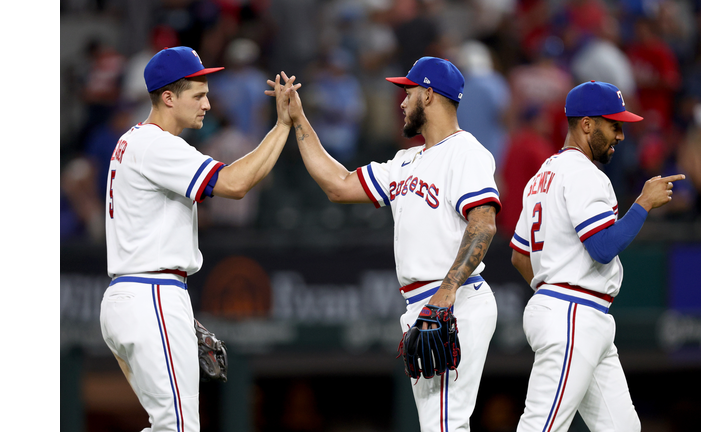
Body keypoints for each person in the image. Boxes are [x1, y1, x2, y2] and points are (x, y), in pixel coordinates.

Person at [268, 57, 501, 431]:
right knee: (439, 424)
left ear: (429, 94)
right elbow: (339, 185)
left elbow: (484, 224)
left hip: (456, 301)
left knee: (445, 424)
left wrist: (447, 291)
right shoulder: (405, 161)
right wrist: (299, 120)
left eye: (408, 92)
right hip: (425, 304)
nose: (402, 102)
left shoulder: (466, 151)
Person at [99, 46, 299, 432]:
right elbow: (235, 184)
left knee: (167, 425)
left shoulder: (133, 141)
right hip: (151, 293)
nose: (209, 103)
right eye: (198, 94)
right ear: (169, 97)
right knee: (177, 426)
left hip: (133, 295)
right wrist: (282, 127)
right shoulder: (157, 144)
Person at [509, 80, 685, 431]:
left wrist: (548, 293)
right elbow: (602, 248)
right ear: (586, 124)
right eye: (614, 125)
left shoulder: (542, 176)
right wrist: (642, 204)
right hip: (573, 312)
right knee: (541, 426)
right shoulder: (584, 174)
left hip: (574, 311)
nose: (621, 135)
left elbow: (519, 256)